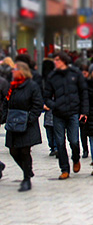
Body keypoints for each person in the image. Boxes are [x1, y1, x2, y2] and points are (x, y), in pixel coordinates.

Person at [44, 52, 89, 180]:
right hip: (58, 114)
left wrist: (84, 111)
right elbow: (46, 96)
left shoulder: (75, 74)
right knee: (59, 142)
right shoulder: (52, 76)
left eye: (57, 60)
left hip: (73, 112)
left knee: (74, 140)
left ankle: (76, 158)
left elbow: (83, 93)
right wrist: (54, 105)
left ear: (64, 61)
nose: (55, 62)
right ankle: (64, 169)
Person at [2, 62, 43, 191]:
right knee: (13, 150)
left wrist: (29, 119)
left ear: (22, 71)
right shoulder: (13, 86)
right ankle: (28, 170)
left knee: (25, 151)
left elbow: (38, 104)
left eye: (15, 69)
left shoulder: (32, 86)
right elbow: (6, 102)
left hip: (26, 124)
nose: (12, 71)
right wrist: (5, 116)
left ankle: (26, 178)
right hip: (13, 123)